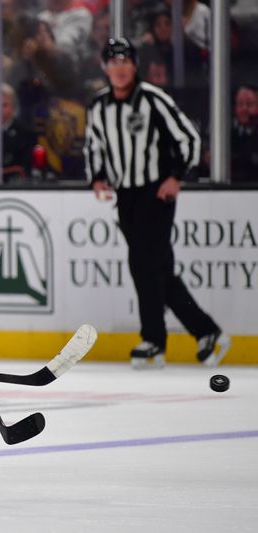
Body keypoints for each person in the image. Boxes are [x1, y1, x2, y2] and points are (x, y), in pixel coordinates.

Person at [83, 38, 230, 370]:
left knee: (143, 265)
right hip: (126, 196)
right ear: (105, 68)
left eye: (125, 61)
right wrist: (97, 177)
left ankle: (153, 339)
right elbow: (94, 146)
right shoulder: (99, 105)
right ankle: (208, 333)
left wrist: (176, 176)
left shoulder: (153, 99)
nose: (119, 68)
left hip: (156, 193)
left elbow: (189, 138)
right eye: (113, 61)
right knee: (159, 269)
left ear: (135, 65)